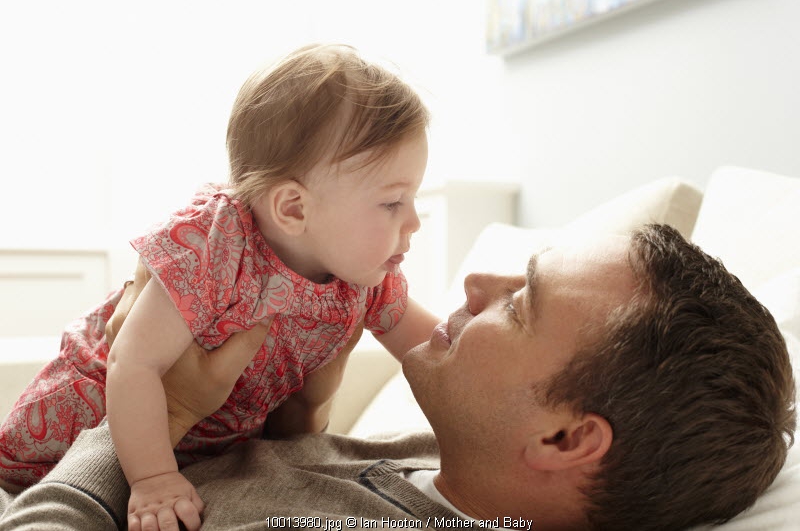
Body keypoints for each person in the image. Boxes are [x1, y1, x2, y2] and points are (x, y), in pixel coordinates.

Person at [0, 223, 794, 530]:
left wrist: (157, 414)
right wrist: (299, 412)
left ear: (564, 436)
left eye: (521, 306)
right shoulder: (435, 462)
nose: (478, 287)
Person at [0, 43, 439, 529]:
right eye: (393, 202)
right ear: (293, 208)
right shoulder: (216, 244)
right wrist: (152, 479)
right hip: (73, 443)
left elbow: (436, 353)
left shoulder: (364, 274)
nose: (415, 221)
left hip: (196, 454)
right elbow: (134, 361)